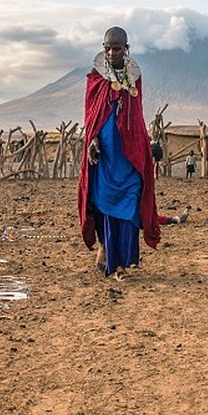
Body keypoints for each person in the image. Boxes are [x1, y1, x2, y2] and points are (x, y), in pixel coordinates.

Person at [78, 26, 161, 277]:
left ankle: (124, 261)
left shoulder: (134, 78)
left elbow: (135, 116)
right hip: (105, 158)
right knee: (104, 205)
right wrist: (92, 140)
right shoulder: (95, 79)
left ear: (126, 49)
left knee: (131, 204)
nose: (112, 52)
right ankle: (108, 254)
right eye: (107, 48)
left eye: (117, 48)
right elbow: (91, 117)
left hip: (130, 154)